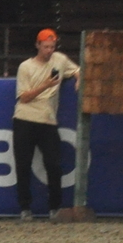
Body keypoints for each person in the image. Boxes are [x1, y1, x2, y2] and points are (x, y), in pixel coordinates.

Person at [11, 28, 79, 220]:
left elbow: (76, 69)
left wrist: (78, 77)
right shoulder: (26, 67)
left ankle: (54, 207)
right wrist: (46, 85)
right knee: (23, 164)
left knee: (53, 164)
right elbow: (24, 97)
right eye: (46, 47)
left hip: (48, 120)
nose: (49, 50)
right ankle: (25, 207)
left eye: (52, 46)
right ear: (38, 46)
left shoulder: (59, 60)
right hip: (25, 119)